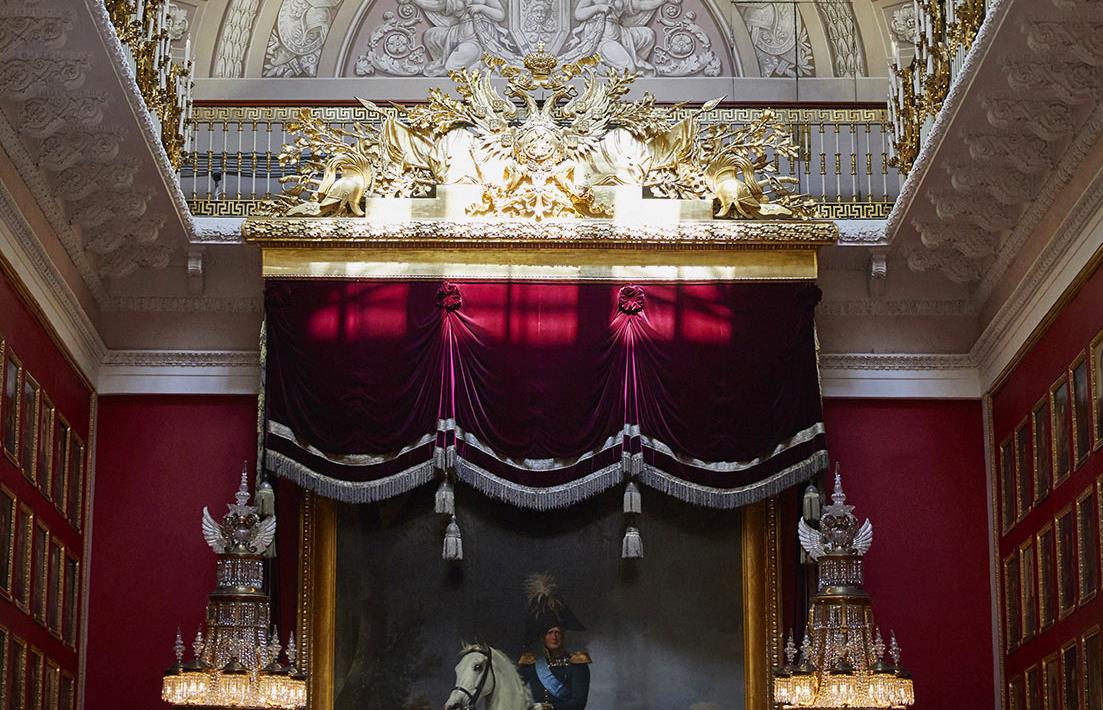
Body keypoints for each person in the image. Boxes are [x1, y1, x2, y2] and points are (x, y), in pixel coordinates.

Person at [517, 575, 591, 710]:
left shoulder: (577, 665)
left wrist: (549, 708)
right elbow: (512, 687)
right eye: (550, 633)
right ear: (543, 637)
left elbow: (579, 704)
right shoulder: (531, 665)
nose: (554, 637)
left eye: (557, 632)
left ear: (563, 635)